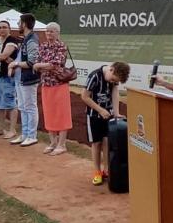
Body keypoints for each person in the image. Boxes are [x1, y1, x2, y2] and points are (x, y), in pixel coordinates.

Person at [81, 62, 131, 185]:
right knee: (96, 143)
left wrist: (116, 112)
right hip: (93, 115)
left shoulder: (114, 78)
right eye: (113, 79)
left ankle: (107, 170)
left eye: (116, 81)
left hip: (108, 116)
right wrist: (100, 110)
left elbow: (114, 92)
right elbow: (85, 96)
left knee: (107, 142)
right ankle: (97, 171)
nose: (113, 81)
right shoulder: (95, 76)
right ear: (111, 69)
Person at [34, 22, 72, 155]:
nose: (49, 33)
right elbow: (36, 62)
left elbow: (54, 64)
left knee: (62, 113)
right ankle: (53, 142)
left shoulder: (61, 46)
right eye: (47, 31)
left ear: (58, 33)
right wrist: (42, 65)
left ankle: (62, 144)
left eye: (52, 31)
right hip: (46, 84)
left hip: (59, 84)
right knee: (49, 113)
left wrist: (40, 65)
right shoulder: (43, 46)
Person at [8, 14, 40, 147]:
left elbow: (32, 62)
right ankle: (25, 133)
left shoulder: (32, 40)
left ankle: (32, 135)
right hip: (20, 78)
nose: (17, 24)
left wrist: (15, 64)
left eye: (19, 22)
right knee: (22, 107)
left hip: (28, 79)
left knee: (30, 107)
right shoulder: (27, 39)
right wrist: (14, 64)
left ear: (24, 24)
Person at [0, 20, 20, 138]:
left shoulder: (12, 41)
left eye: (4, 27)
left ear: (9, 28)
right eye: (0, 27)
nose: (2, 29)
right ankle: (0, 128)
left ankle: (12, 129)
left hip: (8, 76)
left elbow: (4, 55)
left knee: (10, 103)